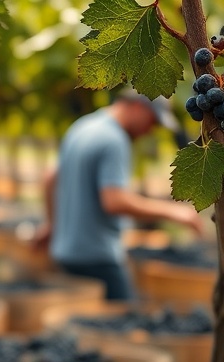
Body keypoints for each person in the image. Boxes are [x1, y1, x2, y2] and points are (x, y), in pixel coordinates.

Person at [33, 89, 205, 300]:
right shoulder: (114, 140)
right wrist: (175, 212)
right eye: (152, 121)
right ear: (137, 107)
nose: (150, 131)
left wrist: (52, 225)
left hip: (65, 253)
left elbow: (51, 177)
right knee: (125, 319)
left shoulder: (82, 126)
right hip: (97, 257)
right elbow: (114, 201)